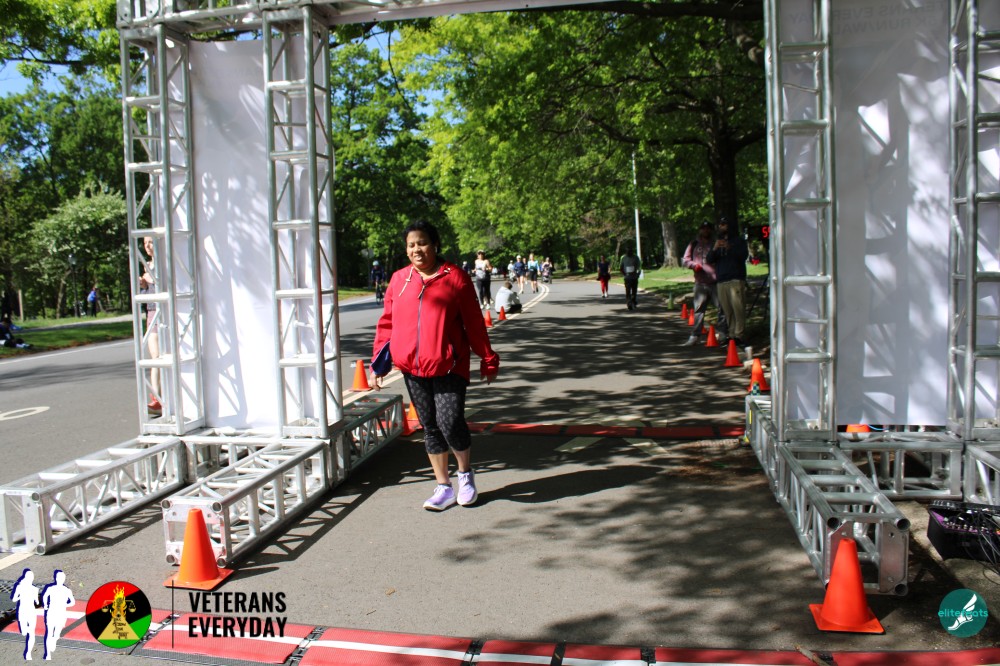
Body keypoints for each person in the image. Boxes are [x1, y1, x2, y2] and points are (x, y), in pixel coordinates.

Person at [371, 221, 500, 511]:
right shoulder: (399, 280)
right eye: (411, 245)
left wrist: (488, 358)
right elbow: (387, 323)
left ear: (435, 244)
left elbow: (474, 323)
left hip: (449, 364)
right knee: (430, 426)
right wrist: (379, 362)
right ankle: (443, 486)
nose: (416, 249)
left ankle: (465, 476)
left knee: (450, 422)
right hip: (412, 368)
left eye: (422, 243)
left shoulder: (455, 277)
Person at [681, 223, 728, 346]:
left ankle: (723, 335)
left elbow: (724, 258)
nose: (706, 230)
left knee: (722, 308)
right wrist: (693, 265)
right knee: (698, 310)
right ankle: (695, 336)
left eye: (708, 228)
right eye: (703, 228)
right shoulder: (693, 244)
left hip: (716, 282)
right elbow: (685, 260)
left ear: (711, 230)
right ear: (700, 230)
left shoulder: (716, 243)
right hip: (700, 283)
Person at [707, 216, 749, 346]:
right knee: (727, 310)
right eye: (720, 224)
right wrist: (714, 248)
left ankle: (739, 335)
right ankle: (731, 335)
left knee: (738, 309)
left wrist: (730, 247)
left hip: (735, 279)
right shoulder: (717, 242)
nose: (721, 227)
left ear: (729, 226)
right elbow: (709, 260)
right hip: (721, 280)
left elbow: (743, 256)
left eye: (723, 224)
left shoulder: (739, 241)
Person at [139, 237, 161, 414]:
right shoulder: (147, 266)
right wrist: (143, 285)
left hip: (168, 311)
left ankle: (164, 397)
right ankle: (157, 398)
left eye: (150, 242)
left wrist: (152, 280)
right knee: (155, 356)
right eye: (145, 243)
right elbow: (145, 294)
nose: (147, 246)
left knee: (166, 356)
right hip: (152, 311)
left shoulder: (165, 264)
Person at [41, 570, 74, 660]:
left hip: (57, 613)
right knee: (50, 632)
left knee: (54, 633)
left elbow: (72, 602)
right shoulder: (60, 590)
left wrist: (46, 605)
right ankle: (47, 653)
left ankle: (53, 641)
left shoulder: (64, 590)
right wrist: (46, 605)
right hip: (55, 612)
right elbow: (72, 602)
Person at [11, 568, 38, 660]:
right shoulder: (33, 589)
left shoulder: (20, 587)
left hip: (24, 610)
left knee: (28, 632)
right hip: (28, 610)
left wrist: (21, 596)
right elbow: (37, 602)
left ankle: (28, 653)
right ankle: (28, 652)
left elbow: (14, 599)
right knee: (27, 632)